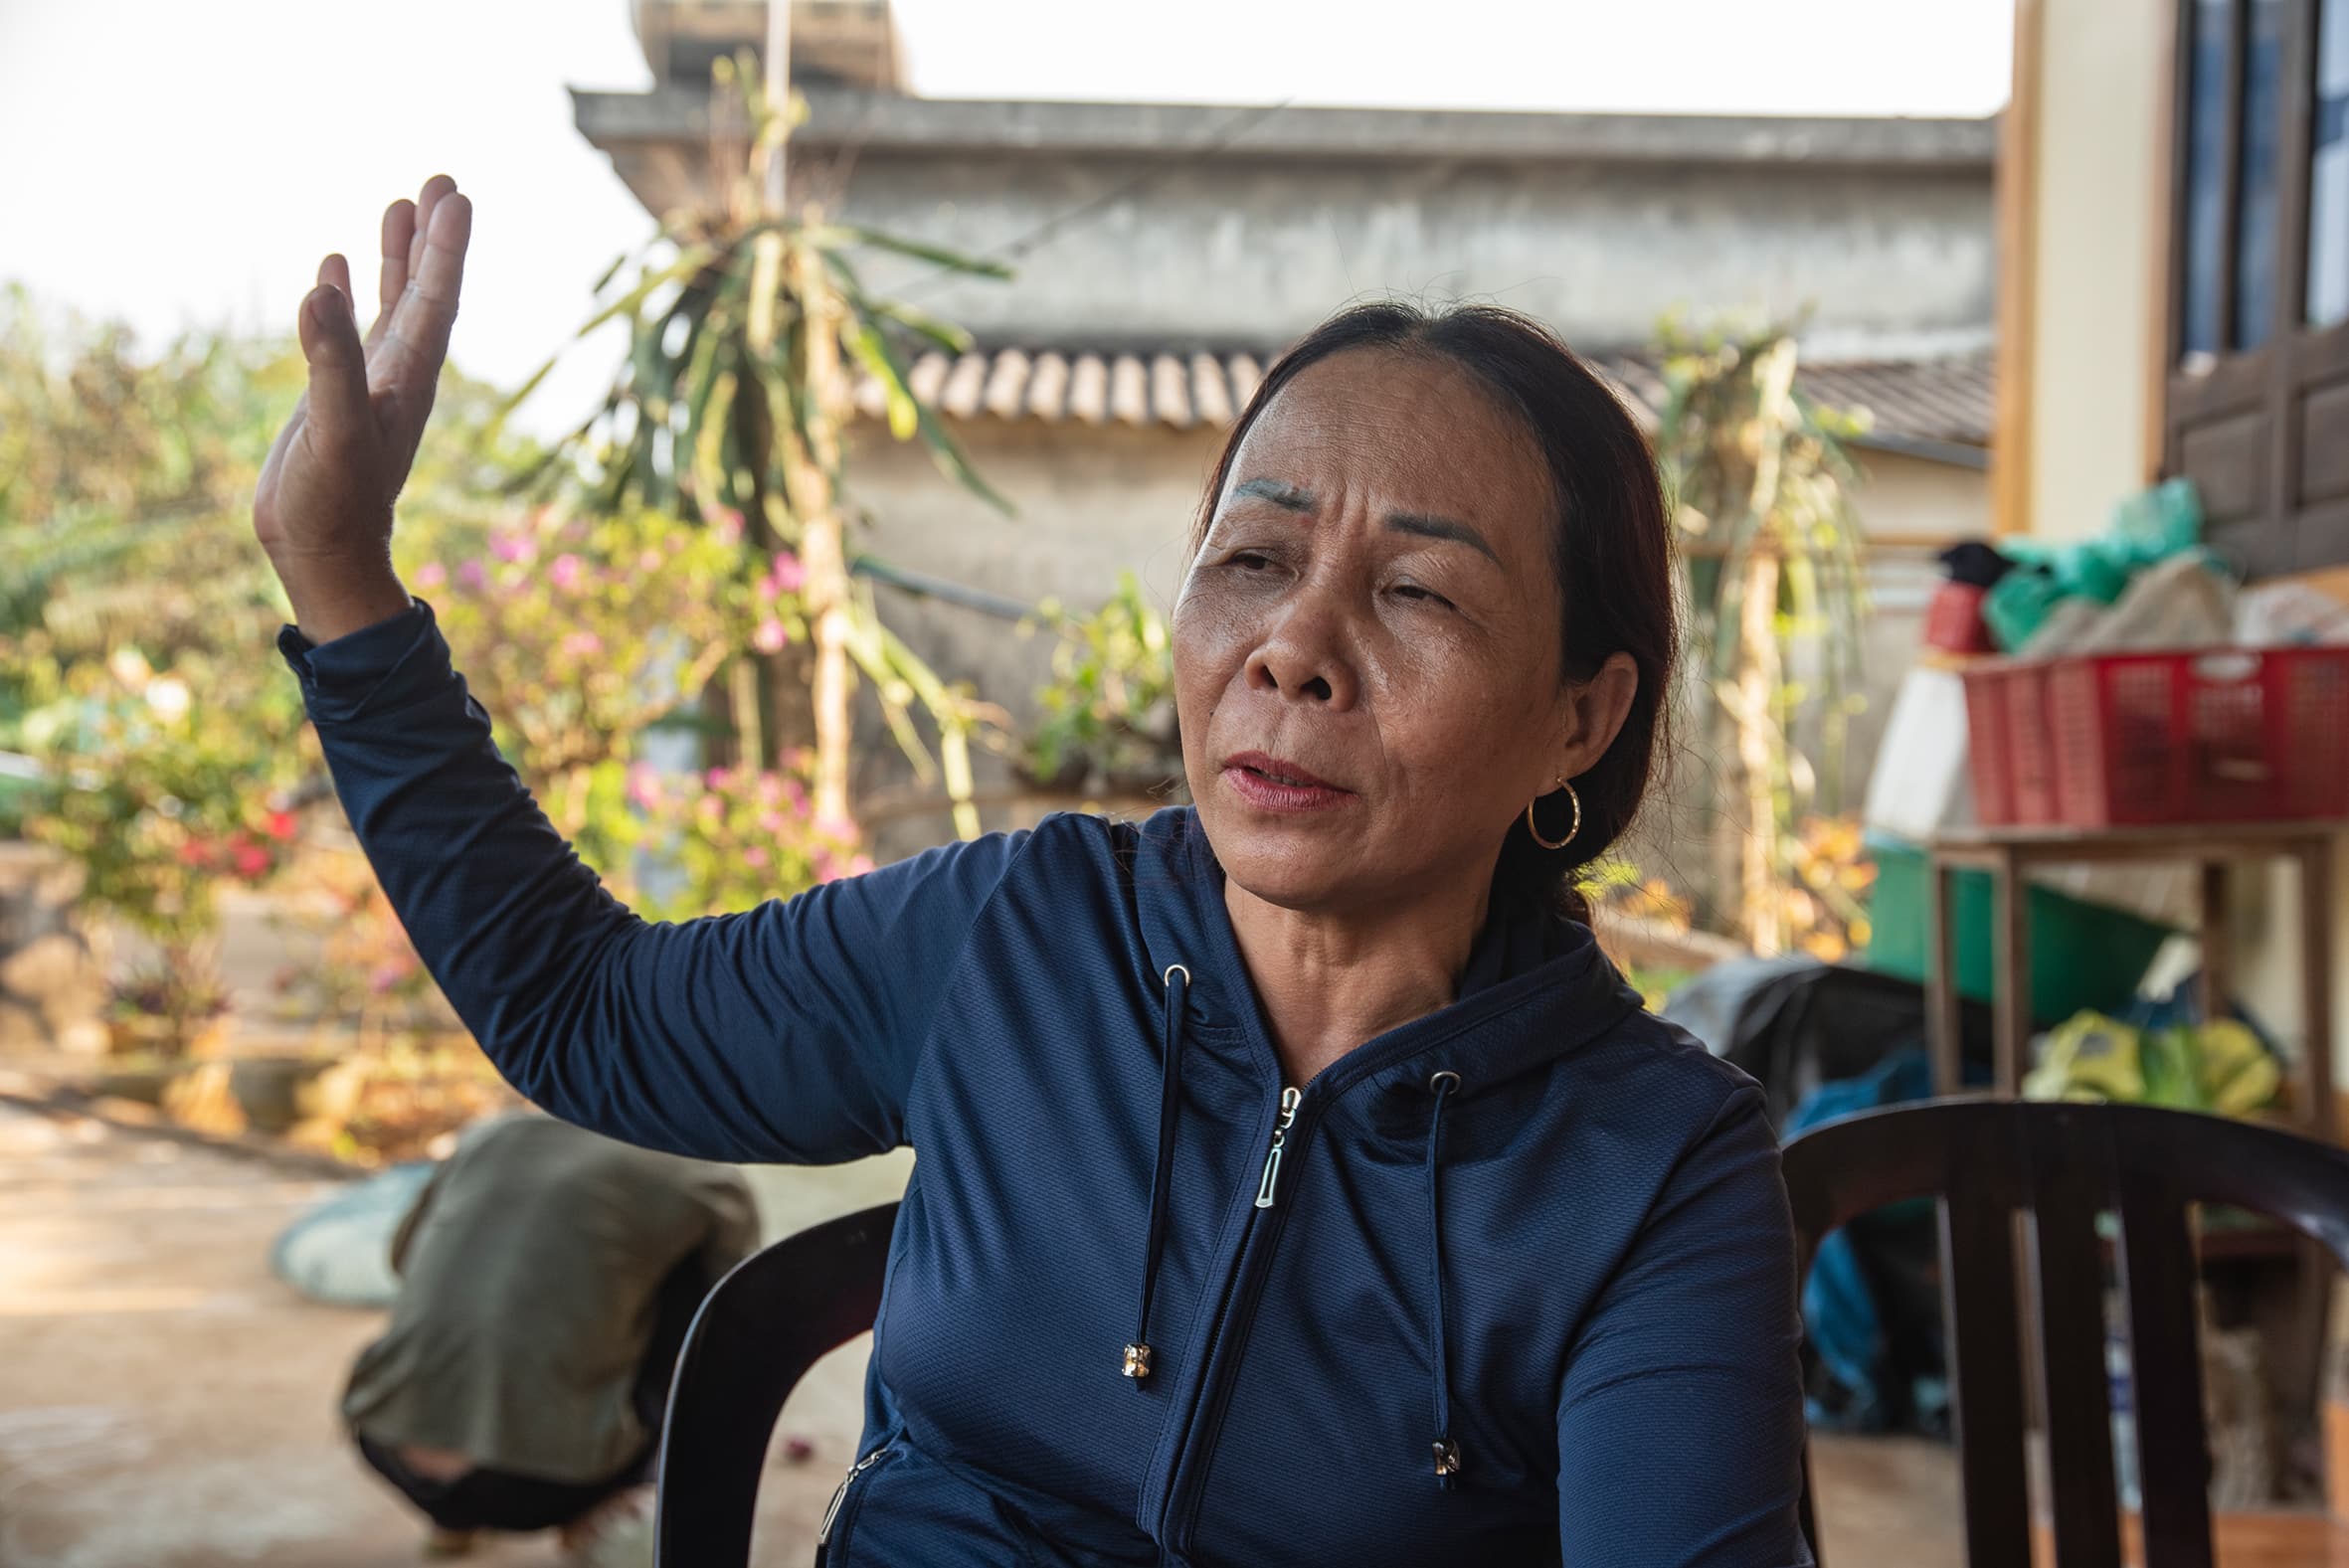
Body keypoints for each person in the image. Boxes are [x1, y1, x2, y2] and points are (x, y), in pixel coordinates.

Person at [258, 175, 1810, 1566]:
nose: (1292, 649)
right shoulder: (1015, 936)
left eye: (1415, 591)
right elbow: (584, 1009)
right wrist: (344, 588)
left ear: (1578, 718)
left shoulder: (1653, 1171)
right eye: (1254, 560)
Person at [343, 1109, 758, 1561]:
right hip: (546, 1486)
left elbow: (402, 1259)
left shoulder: (491, 1135)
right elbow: (733, 1323)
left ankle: (450, 1523)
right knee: (699, 1304)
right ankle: (596, 1518)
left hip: (381, 1438)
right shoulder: (706, 1174)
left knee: (469, 1295)